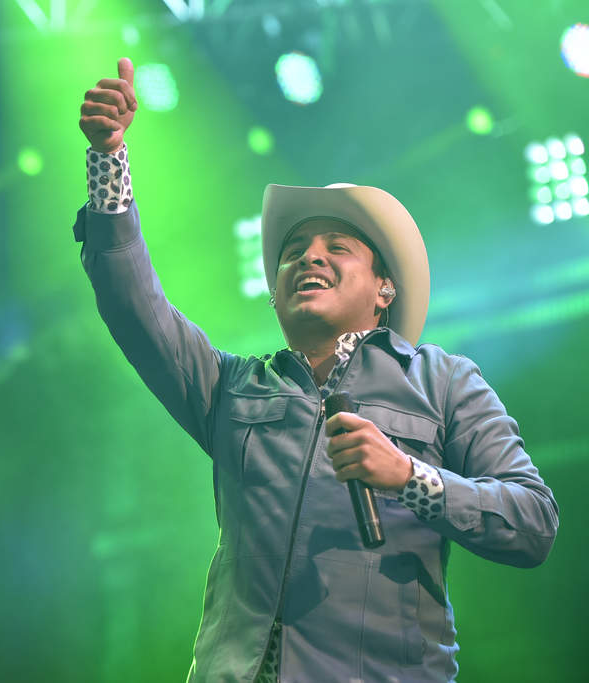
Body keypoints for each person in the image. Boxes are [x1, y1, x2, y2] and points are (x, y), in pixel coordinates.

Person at [73, 58, 559, 683]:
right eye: (294, 252)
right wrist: (108, 159)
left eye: (338, 248)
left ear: (385, 288)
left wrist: (410, 476)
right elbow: (131, 304)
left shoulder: (444, 381)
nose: (310, 258)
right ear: (275, 297)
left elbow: (533, 523)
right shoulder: (232, 388)